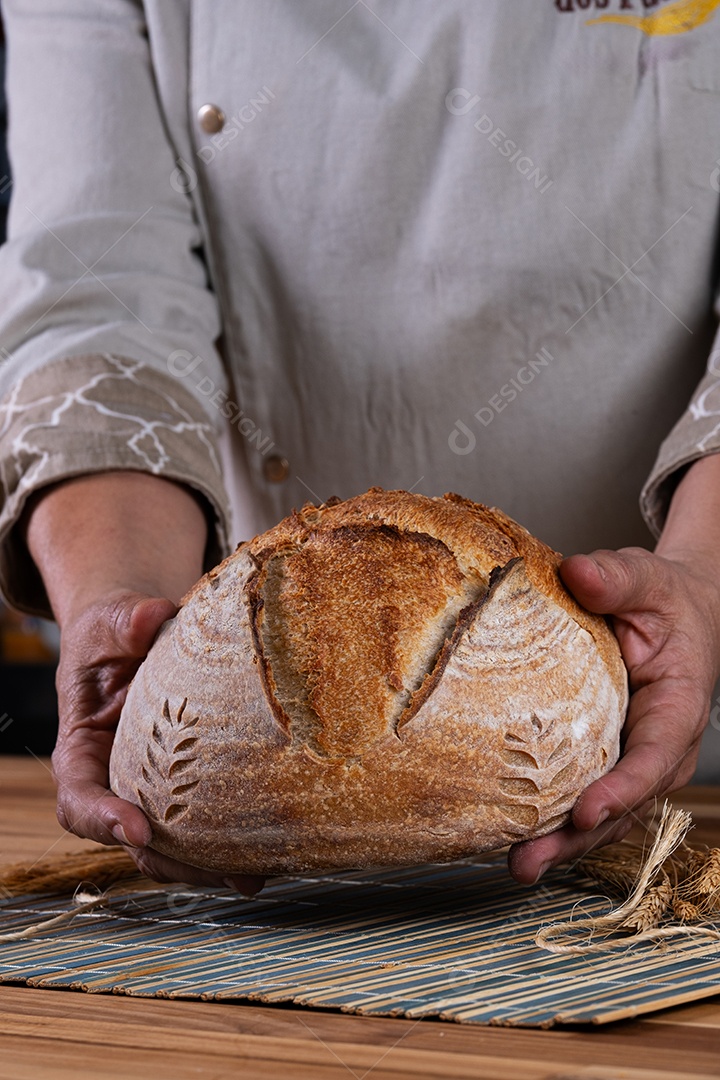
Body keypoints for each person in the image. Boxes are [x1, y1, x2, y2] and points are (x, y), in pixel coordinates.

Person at [1, 0, 719, 895]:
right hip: (239, 745)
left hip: (657, 700)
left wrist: (705, 580)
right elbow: (100, 295)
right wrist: (120, 598)